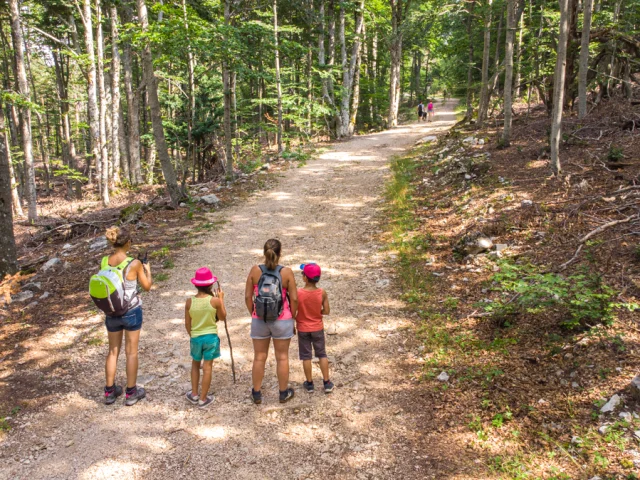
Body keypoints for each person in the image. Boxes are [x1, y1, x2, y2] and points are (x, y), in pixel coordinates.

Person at [102, 227, 152, 406]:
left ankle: (109, 391)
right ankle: (131, 392)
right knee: (131, 352)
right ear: (128, 243)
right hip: (131, 310)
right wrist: (147, 269)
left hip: (111, 311)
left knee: (112, 352)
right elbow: (147, 286)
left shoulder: (105, 261)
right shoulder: (134, 263)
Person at [245, 239, 298, 405]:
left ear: (263, 252)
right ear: (280, 253)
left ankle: (257, 393)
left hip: (259, 320)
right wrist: (293, 317)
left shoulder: (255, 271)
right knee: (282, 357)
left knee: (259, 357)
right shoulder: (287, 272)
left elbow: (247, 297)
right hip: (282, 320)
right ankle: (283, 393)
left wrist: (254, 312)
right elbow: (294, 298)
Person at [184, 267, 227, 409]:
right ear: (211, 285)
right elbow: (222, 317)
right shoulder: (214, 301)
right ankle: (203, 398)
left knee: (195, 364)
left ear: (195, 285)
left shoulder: (189, 302)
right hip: (210, 338)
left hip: (195, 337)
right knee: (207, 367)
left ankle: (194, 393)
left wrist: (193, 336)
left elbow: (187, 324)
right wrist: (221, 299)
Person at [296, 263, 334, 394]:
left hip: (303, 328)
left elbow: (294, 310)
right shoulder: (322, 292)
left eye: (302, 274)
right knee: (322, 354)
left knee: (306, 356)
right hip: (317, 327)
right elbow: (327, 311)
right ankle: (327, 382)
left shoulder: (298, 293)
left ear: (305, 278)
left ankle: (310, 383)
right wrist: (317, 312)